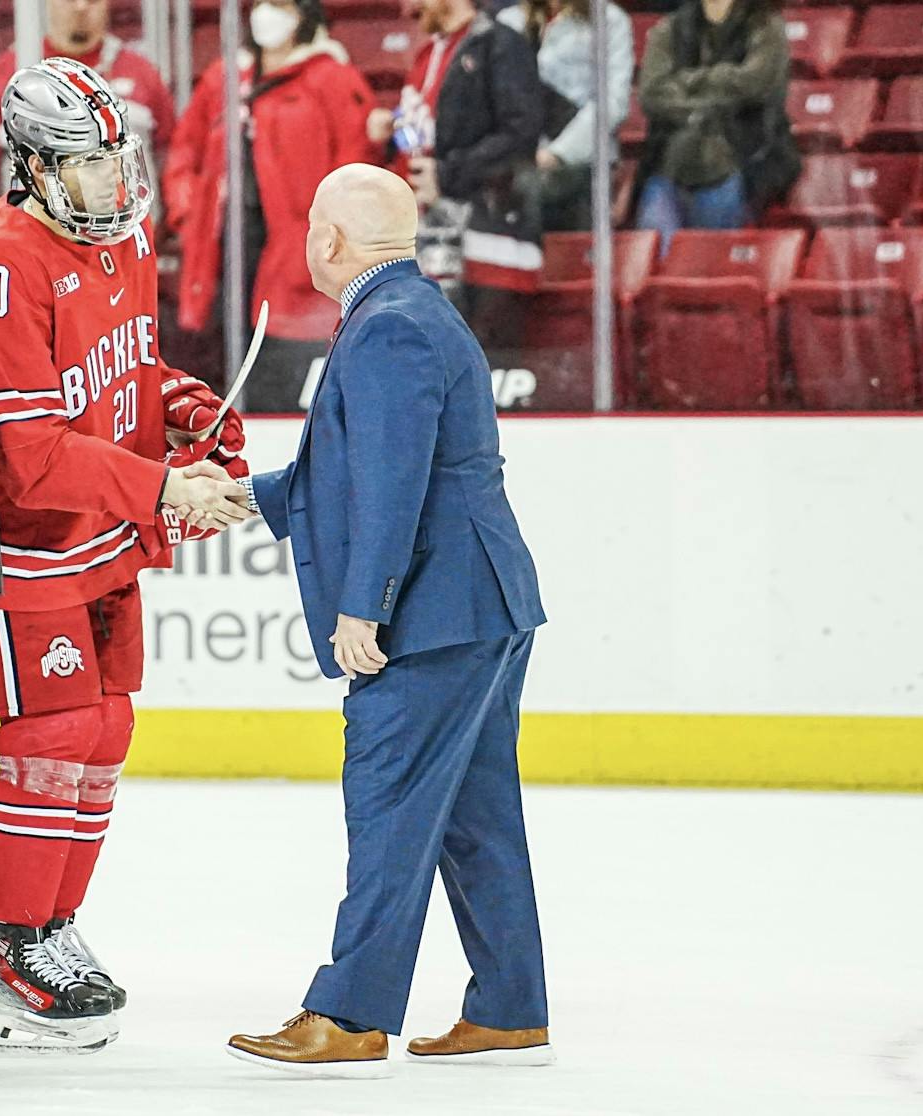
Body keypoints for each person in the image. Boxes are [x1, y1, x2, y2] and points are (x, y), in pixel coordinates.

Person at [226, 164, 549, 1075]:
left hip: (436, 616)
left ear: (328, 240)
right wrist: (241, 497)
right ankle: (510, 1005)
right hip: (476, 606)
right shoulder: (410, 311)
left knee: (389, 808)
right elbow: (365, 468)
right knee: (475, 817)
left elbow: (394, 483)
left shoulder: (388, 331)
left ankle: (352, 1012)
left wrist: (362, 606)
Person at [0, 57, 250, 1053]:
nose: (110, 188)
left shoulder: (125, 244)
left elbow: (126, 365)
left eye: (116, 163)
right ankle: (11, 951)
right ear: (30, 166)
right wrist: (166, 486)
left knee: (107, 730)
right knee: (54, 736)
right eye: (85, 169)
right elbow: (29, 455)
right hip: (30, 547)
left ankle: (55, 925)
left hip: (108, 536)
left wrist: (180, 406)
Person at [164, 0, 378, 411]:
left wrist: (325, 241)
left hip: (293, 255)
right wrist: (189, 215)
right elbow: (183, 153)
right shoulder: (224, 77)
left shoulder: (332, 78)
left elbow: (355, 167)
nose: (267, 13)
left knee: (279, 378)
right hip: (221, 252)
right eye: (262, 2)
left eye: (279, 4)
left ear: (304, 14)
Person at [370, 0, 543, 366]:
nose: (409, 8)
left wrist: (447, 175)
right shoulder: (429, 53)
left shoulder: (500, 45)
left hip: (491, 240)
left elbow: (520, 132)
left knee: (484, 370)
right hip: (436, 237)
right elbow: (431, 130)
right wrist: (392, 130)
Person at [0, 0, 173, 231]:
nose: (80, 7)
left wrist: (166, 237)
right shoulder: (7, 75)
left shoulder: (142, 74)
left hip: (124, 238)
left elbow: (170, 158)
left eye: (92, 0)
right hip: (33, 243)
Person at [634, 0, 799, 252]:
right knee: (654, 263)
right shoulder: (670, 28)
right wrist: (702, 108)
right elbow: (652, 93)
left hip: (742, 159)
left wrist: (687, 82)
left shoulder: (766, 26)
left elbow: (755, 84)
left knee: (711, 260)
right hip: (668, 165)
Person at [498, 0, 633, 233]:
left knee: (528, 187)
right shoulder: (508, 22)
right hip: (518, 153)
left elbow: (612, 103)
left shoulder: (608, 20)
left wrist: (557, 153)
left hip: (584, 159)